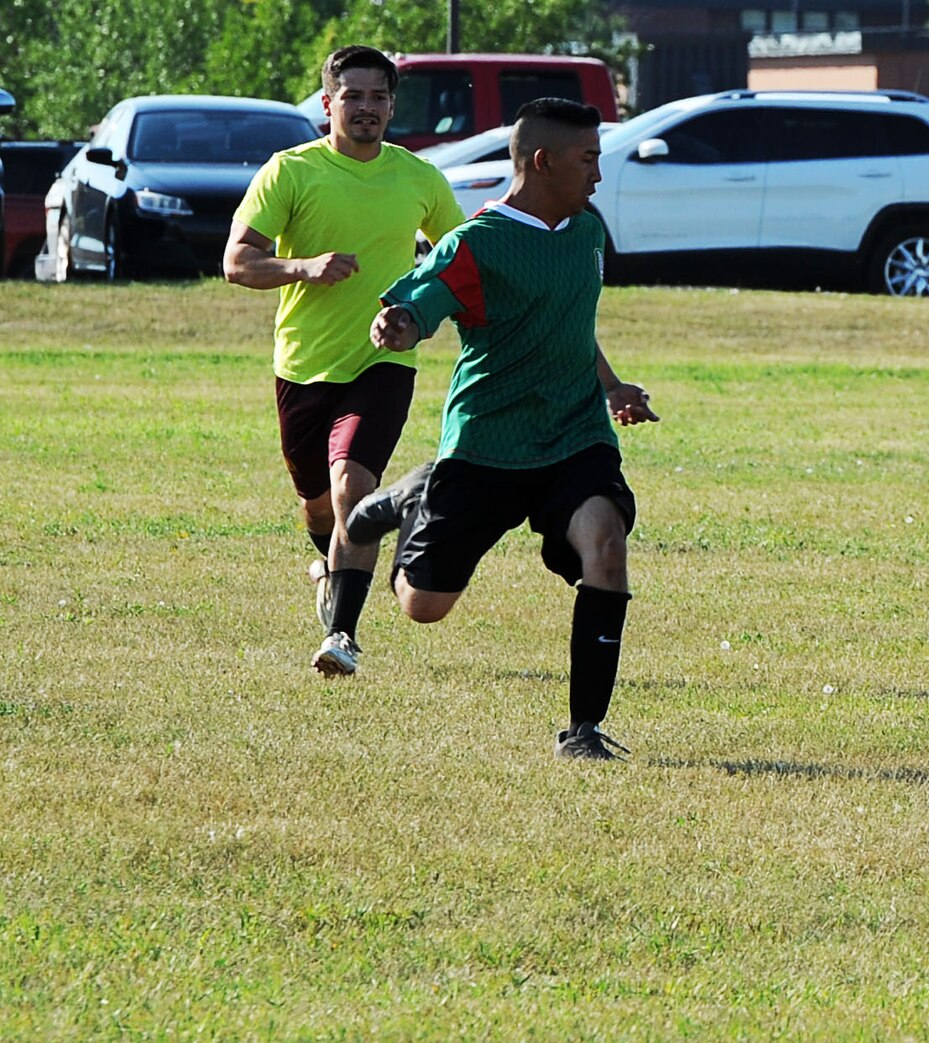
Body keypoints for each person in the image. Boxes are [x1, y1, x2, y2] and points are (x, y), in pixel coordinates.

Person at [344, 98, 658, 761]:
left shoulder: (587, 232)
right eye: (589, 160)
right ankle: (411, 496)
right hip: (486, 444)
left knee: (605, 543)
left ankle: (583, 731)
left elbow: (571, 323)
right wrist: (397, 323)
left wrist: (611, 386)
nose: (599, 175)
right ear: (544, 162)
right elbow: (417, 304)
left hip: (574, 437)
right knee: (423, 605)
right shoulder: (476, 243)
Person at [225, 45, 464, 678]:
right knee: (320, 508)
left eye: (378, 97)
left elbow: (458, 263)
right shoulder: (290, 172)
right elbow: (237, 262)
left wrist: (421, 314)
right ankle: (336, 570)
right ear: (328, 103)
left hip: (382, 362)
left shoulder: (419, 178)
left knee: (352, 488)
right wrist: (304, 267)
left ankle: (342, 636)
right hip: (303, 365)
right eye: (352, 96)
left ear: (392, 105)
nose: (366, 108)